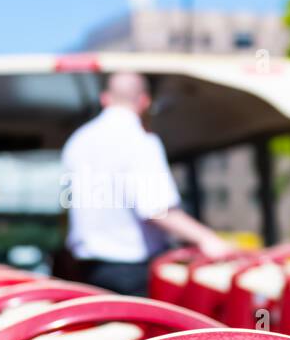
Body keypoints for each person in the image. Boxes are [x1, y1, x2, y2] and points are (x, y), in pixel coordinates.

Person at [60, 72, 234, 296]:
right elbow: (157, 210)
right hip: (133, 272)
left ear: (105, 99)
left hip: (87, 270)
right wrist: (208, 239)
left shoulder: (77, 141)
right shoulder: (140, 141)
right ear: (144, 101)